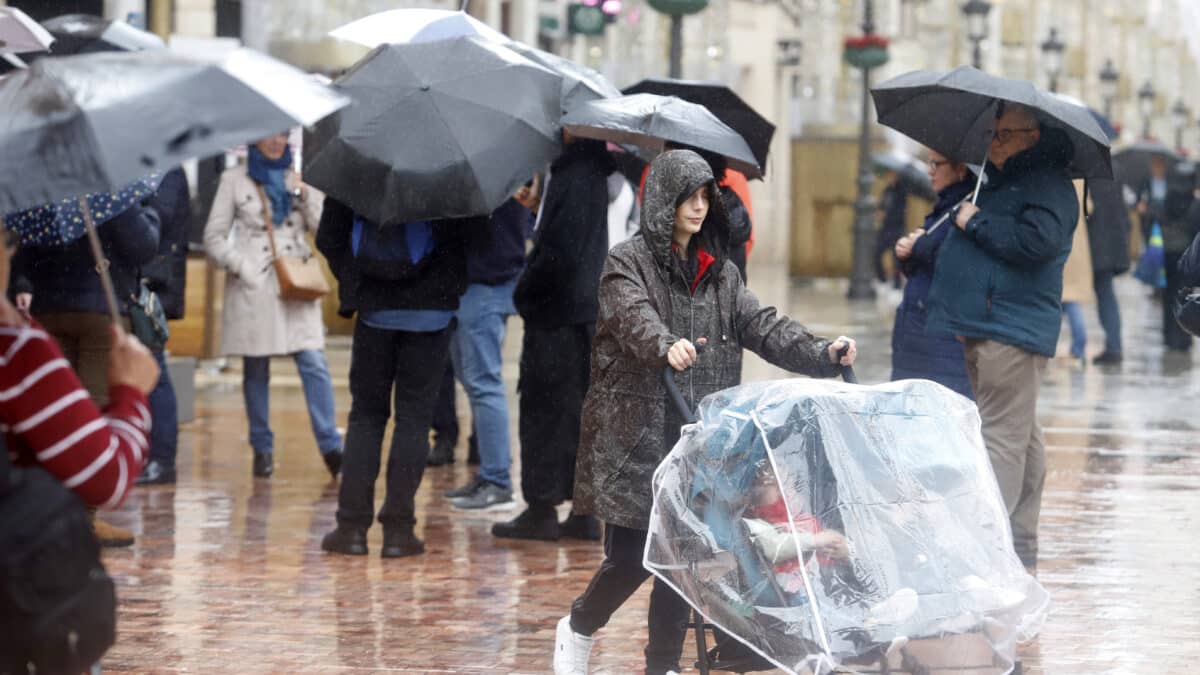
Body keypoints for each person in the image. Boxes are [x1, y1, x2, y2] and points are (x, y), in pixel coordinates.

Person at [553, 149, 857, 675]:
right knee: (631, 558)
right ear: (662, 201)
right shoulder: (626, 263)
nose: (697, 208)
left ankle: (662, 664)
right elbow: (633, 316)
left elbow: (764, 326)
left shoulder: (722, 277)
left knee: (684, 559)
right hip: (637, 437)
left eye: (704, 199)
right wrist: (664, 344)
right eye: (687, 197)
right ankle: (580, 624)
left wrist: (822, 354)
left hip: (699, 439)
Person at [926, 102, 1079, 571]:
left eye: (1005, 135)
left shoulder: (1047, 183)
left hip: (1010, 327)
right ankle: (1020, 544)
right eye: (994, 133)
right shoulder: (1004, 179)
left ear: (1032, 135)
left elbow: (1039, 243)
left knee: (1001, 442)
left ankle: (986, 553)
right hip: (988, 323)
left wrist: (976, 221)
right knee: (1022, 440)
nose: (994, 143)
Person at [315, 197, 480, 558]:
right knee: (415, 419)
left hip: (376, 311)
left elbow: (328, 236)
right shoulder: (451, 170)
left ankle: (351, 528)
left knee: (366, 418)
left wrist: (359, 275)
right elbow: (476, 236)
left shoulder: (361, 161)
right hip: (432, 312)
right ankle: (398, 531)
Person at [12, 189, 161, 548]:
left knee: (54, 419)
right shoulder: (110, 189)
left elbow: (25, 256)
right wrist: (140, 214)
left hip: (49, 308)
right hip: (99, 313)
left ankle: (55, 514)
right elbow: (143, 245)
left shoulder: (44, 190)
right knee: (92, 411)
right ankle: (83, 521)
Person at [492, 132, 615, 542]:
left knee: (546, 410)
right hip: (579, 313)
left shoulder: (575, 173)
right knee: (577, 413)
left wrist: (524, 290)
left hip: (557, 314)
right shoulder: (588, 171)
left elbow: (558, 253)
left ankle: (543, 506)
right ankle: (582, 512)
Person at [203, 132, 343, 479]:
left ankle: (330, 446)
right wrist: (243, 266)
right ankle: (262, 449)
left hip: (296, 280)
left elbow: (324, 230)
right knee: (256, 367)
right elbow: (214, 237)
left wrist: (305, 193)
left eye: (284, 134)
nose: (277, 141)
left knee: (314, 361)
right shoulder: (234, 179)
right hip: (257, 284)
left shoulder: (299, 177)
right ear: (254, 139)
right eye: (270, 134)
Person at [442, 197, 532, 510]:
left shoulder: (495, 180)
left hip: (487, 283)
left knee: (483, 381)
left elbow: (498, 239)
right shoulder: (499, 171)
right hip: (475, 283)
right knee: (473, 380)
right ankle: (490, 474)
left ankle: (497, 480)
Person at [891, 151, 974, 398]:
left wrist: (917, 246)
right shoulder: (944, 207)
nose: (930, 170)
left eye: (937, 164)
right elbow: (922, 260)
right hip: (920, 328)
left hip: (939, 335)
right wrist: (906, 253)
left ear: (960, 169)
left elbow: (950, 260)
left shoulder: (967, 208)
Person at [137, 167, 192, 485]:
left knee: (154, 369)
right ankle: (152, 455)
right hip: (141, 281)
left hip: (152, 285)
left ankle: (162, 459)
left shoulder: (166, 171)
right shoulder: (149, 168)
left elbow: (158, 220)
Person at [1087, 179, 1132, 365]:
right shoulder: (1113, 170)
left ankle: (1113, 347)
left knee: (1103, 294)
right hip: (1111, 243)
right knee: (1107, 294)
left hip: (1094, 244)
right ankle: (1114, 346)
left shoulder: (1084, 170)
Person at [874, 170, 909, 288]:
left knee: (896, 260)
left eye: (892, 174)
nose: (889, 177)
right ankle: (882, 280)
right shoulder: (887, 190)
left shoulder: (901, 191)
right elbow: (882, 206)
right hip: (885, 228)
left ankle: (897, 284)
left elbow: (900, 212)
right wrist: (879, 213)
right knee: (876, 253)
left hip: (896, 229)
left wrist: (886, 215)